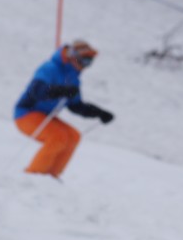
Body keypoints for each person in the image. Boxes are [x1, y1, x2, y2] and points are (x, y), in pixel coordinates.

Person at [14, 40, 114, 178]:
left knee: (74, 136)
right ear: (73, 56)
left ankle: (52, 177)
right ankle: (33, 176)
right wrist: (60, 90)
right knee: (58, 137)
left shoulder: (73, 78)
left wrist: (99, 113)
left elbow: (76, 106)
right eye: (84, 61)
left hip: (45, 116)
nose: (85, 66)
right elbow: (36, 91)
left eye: (89, 63)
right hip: (26, 114)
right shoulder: (50, 68)